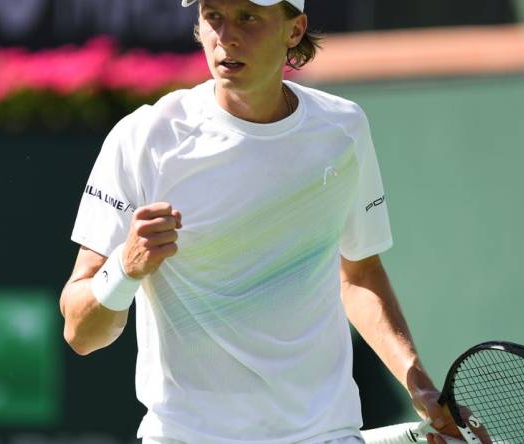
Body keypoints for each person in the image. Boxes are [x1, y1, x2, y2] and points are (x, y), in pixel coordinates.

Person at [59, 1, 458, 443]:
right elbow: (80, 332)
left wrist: (418, 382)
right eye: (213, 16)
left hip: (323, 432)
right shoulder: (143, 139)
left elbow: (359, 273)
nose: (226, 36)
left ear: (294, 30)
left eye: (248, 17)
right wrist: (125, 268)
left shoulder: (342, 130)